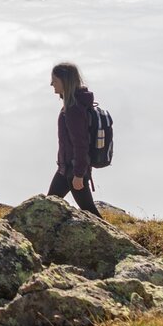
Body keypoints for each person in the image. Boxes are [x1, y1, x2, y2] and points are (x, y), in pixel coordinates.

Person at [48, 62, 102, 217]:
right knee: (48, 206)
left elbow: (81, 144)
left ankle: (118, 241)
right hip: (65, 169)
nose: (52, 84)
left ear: (65, 81)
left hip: (74, 170)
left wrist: (79, 175)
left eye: (55, 80)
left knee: (90, 212)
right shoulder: (73, 105)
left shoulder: (73, 109)